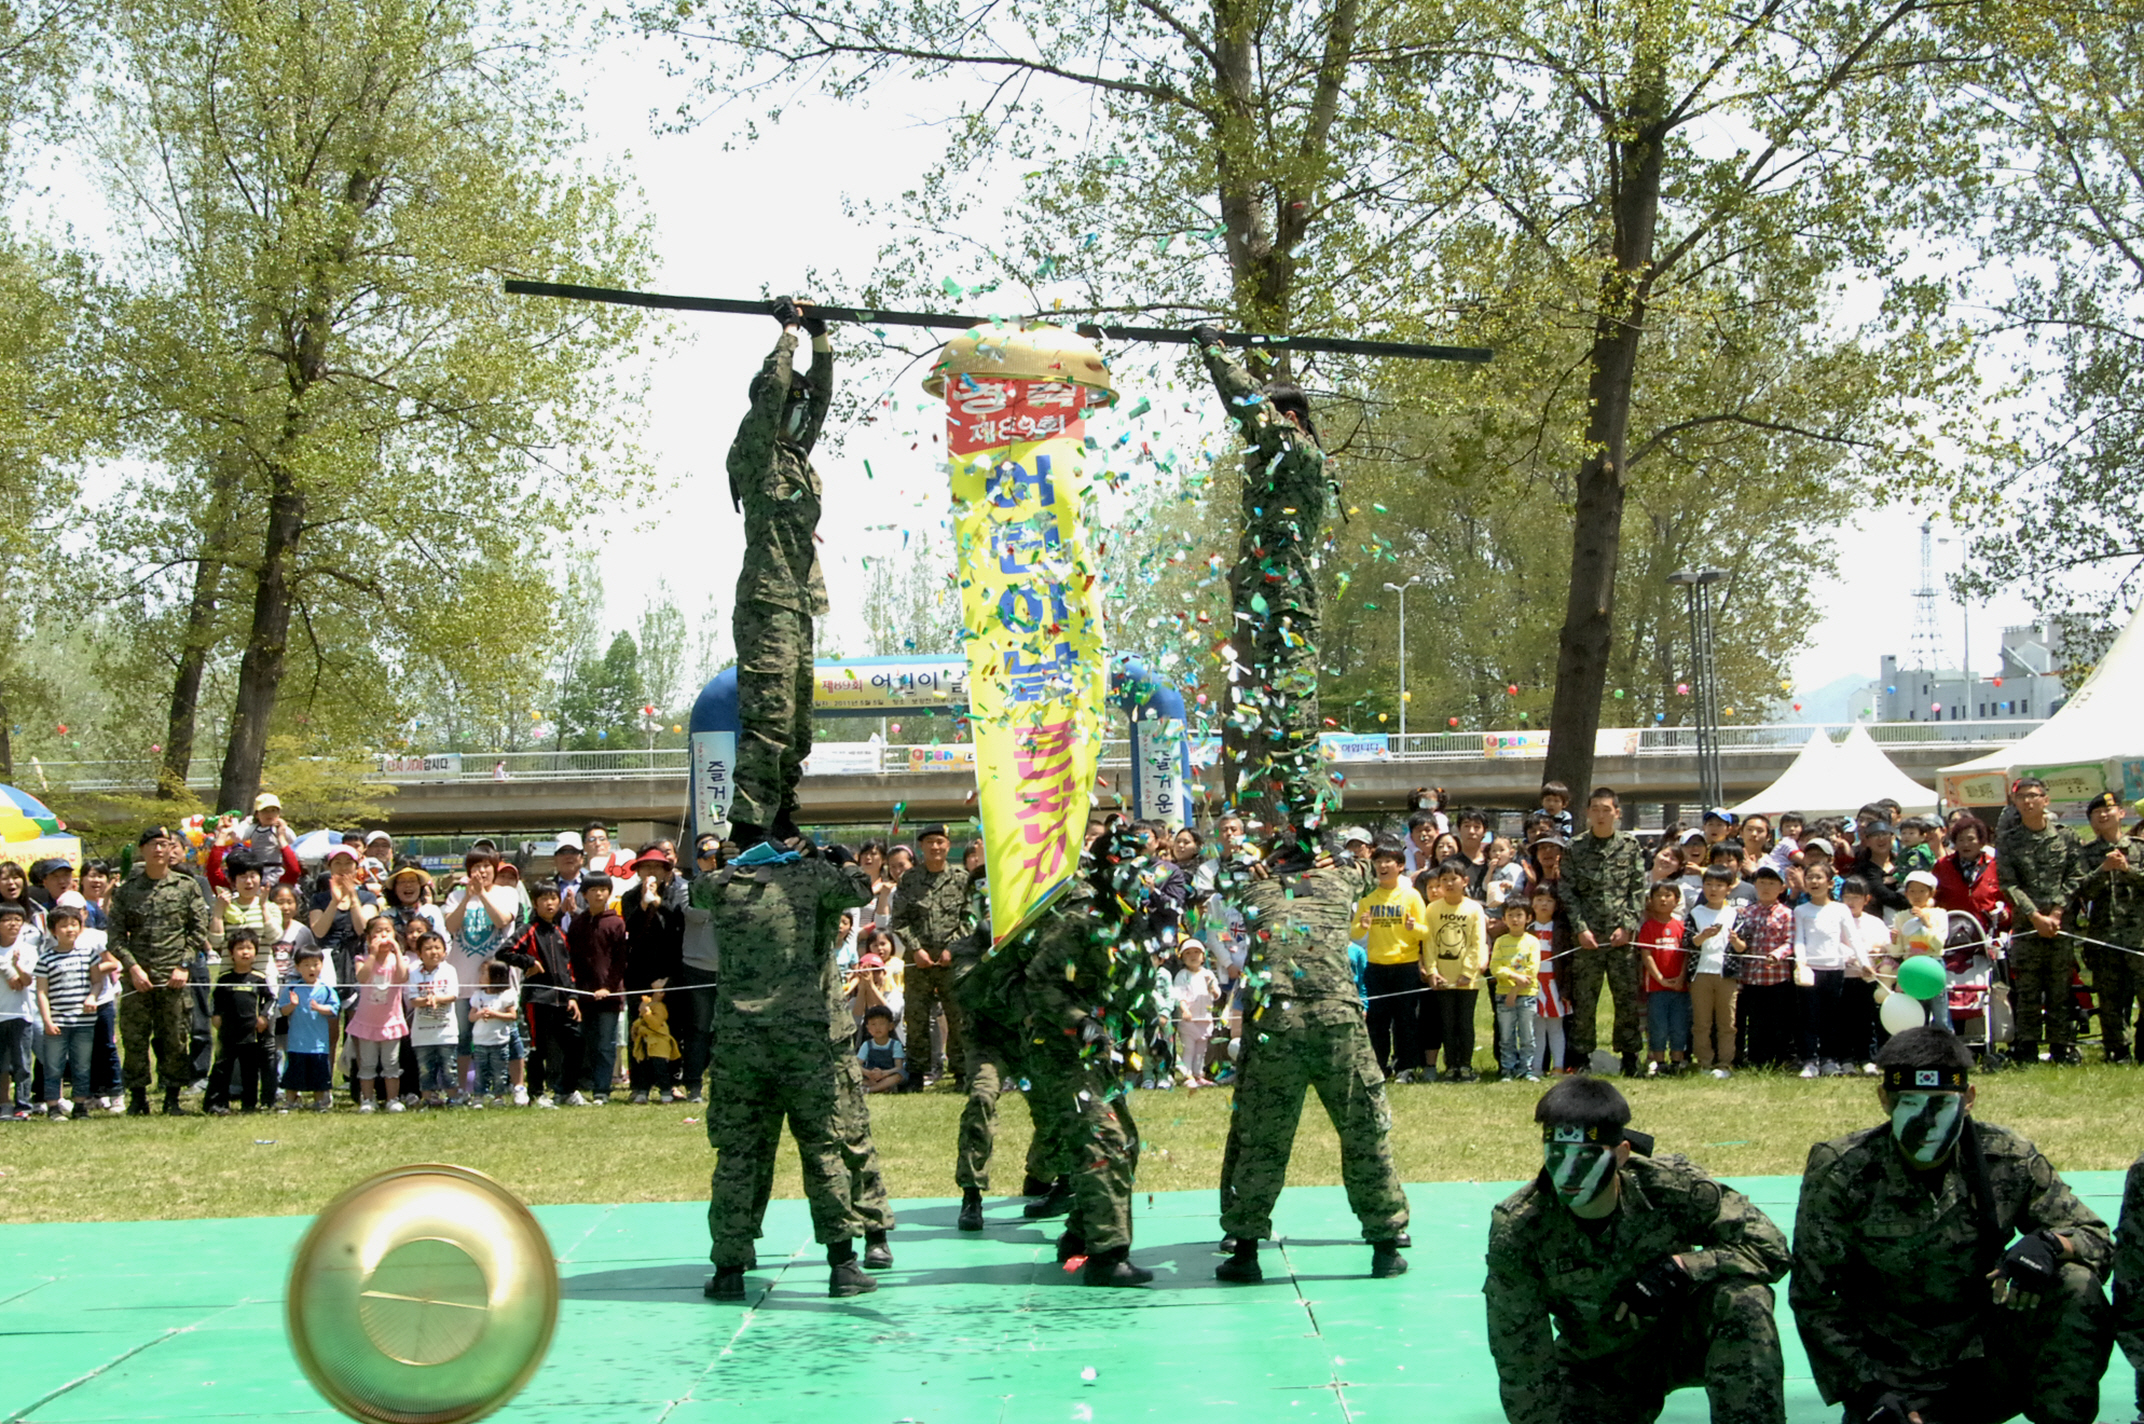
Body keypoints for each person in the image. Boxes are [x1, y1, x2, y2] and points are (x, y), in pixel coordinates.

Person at [1790, 1026, 2113, 1424]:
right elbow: (1814, 1296)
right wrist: (1867, 1390)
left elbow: (2095, 1236)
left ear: (1969, 1099)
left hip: (1989, 1360)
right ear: (1884, 1101)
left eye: (1941, 1103)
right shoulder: (1841, 1170)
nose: (1926, 1121)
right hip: (1896, 1379)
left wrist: (2049, 1245)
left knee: (2075, 1284)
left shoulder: (2007, 1156)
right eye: (1909, 1101)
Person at [1484, 1076, 1791, 1424]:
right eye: (1556, 1154)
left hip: (1683, 1340)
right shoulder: (1522, 1227)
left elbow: (1769, 1247)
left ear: (1622, 1154)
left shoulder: (1670, 1188)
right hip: (1601, 1366)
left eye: (1585, 1156)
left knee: (1744, 1298)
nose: (1567, 1172)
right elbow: (1520, 1355)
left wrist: (1684, 1268)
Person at [700, 836, 893, 1302]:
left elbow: (698, 887)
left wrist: (736, 856)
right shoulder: (812, 877)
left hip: (740, 1041)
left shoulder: (723, 883)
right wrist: (835, 854)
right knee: (824, 1146)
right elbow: (860, 888)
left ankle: (729, 1266)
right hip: (804, 1037)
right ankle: (843, 1264)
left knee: (738, 1154)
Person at [1215, 834, 1410, 1283]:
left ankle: (1244, 1248)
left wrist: (1252, 866)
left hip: (1275, 1022)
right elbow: (1366, 866)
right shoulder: (1342, 879)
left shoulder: (1254, 887)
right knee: (1363, 1127)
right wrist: (1338, 858)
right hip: (1336, 1019)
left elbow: (1224, 878)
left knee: (1261, 1134)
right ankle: (1386, 1241)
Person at [1193, 320, 1331, 837]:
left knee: (1294, 720)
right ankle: (1301, 828)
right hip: (1269, 604)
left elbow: (1246, 401)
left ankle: (1313, 833)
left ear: (1289, 417)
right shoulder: (1281, 461)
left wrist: (1214, 351)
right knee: (1277, 723)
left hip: (1288, 605)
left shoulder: (1294, 449)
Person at [725, 297, 834, 850]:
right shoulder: (754, 452)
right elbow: (774, 394)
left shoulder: (796, 457)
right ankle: (749, 825)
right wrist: (788, 334)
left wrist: (822, 338)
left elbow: (818, 400)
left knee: (796, 725)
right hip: (766, 601)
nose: (796, 411)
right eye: (787, 404)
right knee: (767, 719)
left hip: (800, 603)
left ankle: (783, 816)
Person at [111, 825, 213, 1116]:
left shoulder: (186, 886)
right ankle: (138, 1097)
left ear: (172, 851)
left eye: (164, 844)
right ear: (142, 850)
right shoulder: (127, 891)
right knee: (135, 1039)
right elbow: (116, 937)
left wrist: (184, 965)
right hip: (138, 979)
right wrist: (132, 968)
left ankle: (172, 1098)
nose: (159, 850)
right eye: (153, 844)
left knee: (175, 1038)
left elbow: (197, 929)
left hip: (174, 978)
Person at [1558, 788, 1649, 1076]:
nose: (1600, 815)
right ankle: (1582, 1057)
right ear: (1587, 813)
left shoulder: (1630, 846)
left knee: (1626, 999)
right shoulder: (1575, 848)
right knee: (1585, 1000)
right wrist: (1581, 929)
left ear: (1617, 813)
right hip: (1589, 940)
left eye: (1606, 809)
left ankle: (1631, 1056)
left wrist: (1629, 926)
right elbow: (1567, 892)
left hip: (1620, 938)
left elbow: (1637, 889)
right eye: (1595, 809)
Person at [1995, 776, 2085, 1066]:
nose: (2028, 801)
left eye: (2034, 796)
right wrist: (2034, 916)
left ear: (2046, 800)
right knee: (2028, 991)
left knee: (2060, 990)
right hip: (2026, 927)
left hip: (2060, 927)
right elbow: (2008, 883)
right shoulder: (2008, 840)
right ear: (2015, 803)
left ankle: (2061, 1048)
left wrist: (2057, 912)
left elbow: (2076, 875)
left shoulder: (2066, 836)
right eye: (2022, 797)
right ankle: (2028, 1050)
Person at [891, 824, 970, 1086]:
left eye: (940, 842)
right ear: (921, 847)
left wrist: (953, 947)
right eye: (929, 843)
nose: (935, 847)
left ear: (948, 845)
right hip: (919, 960)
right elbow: (899, 920)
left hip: (952, 960)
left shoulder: (961, 878)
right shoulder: (910, 880)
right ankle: (916, 1073)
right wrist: (917, 949)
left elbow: (970, 917)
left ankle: (960, 1071)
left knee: (957, 1015)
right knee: (916, 1017)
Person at [2068, 790, 2144, 1062]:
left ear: (2121, 814)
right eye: (2096, 812)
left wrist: (2128, 870)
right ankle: (2117, 1050)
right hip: (2104, 937)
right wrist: (2103, 870)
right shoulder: (2086, 854)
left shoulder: (2139, 848)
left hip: (2139, 937)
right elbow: (2080, 890)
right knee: (2111, 999)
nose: (2103, 814)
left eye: (2108, 809)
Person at [1354, 842, 1427, 1081]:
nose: (1383, 866)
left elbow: (1426, 932)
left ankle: (1406, 1067)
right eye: (1378, 862)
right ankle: (1378, 1066)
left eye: (1388, 862)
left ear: (1400, 866)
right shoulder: (1368, 899)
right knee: (1377, 1021)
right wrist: (1362, 926)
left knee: (1405, 1019)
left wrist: (1414, 927)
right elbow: (1353, 934)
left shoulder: (1412, 896)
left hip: (1405, 966)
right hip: (1376, 967)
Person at [34, 903, 113, 1119]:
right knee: (53, 1066)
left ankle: (80, 1105)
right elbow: (41, 992)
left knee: (82, 1065)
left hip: (84, 1021)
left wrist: (91, 997)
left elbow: (97, 982)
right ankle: (53, 1106)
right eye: (63, 926)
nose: (70, 929)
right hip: (57, 1022)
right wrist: (48, 1021)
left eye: (74, 924)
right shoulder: (46, 959)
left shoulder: (89, 955)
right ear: (53, 931)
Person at [509, 881, 581, 1107]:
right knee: (537, 1047)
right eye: (543, 899)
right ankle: (537, 1093)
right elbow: (505, 951)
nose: (549, 903)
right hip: (537, 999)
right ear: (535, 903)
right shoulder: (528, 930)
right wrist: (528, 961)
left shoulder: (560, 932)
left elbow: (568, 968)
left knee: (575, 1043)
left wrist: (573, 997)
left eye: (553, 898)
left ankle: (566, 1091)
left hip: (563, 1000)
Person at [1422, 856, 1489, 1081]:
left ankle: (1466, 1065)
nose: (1449, 884)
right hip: (1443, 978)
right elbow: (1429, 942)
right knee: (1447, 1023)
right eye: (1445, 880)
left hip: (1467, 980)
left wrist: (1468, 972)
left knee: (1465, 1023)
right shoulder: (1432, 909)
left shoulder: (1474, 909)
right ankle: (1451, 1066)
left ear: (1465, 881)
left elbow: (1477, 942)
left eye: (1454, 879)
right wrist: (1432, 971)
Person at [1792, 858, 1857, 1078]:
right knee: (1808, 1016)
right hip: (1809, 971)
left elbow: (1852, 938)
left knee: (1832, 1016)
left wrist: (1864, 963)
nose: (1814, 881)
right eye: (1809, 877)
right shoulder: (1801, 910)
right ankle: (1809, 1059)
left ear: (1830, 883)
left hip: (1835, 970)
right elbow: (1799, 940)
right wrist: (1801, 962)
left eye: (1819, 877)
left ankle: (1830, 1059)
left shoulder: (1841, 909)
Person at [566, 873, 627, 1103]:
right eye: (593, 890)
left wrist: (609, 988)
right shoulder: (578, 923)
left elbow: (620, 961)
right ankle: (588, 1083)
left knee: (605, 1044)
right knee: (588, 1043)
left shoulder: (616, 923)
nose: (599, 893)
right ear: (584, 894)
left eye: (603, 889)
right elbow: (573, 958)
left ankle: (602, 1088)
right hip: (584, 995)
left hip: (610, 998)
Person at [1734, 865, 1797, 1069]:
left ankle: (1778, 1058)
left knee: (1778, 1021)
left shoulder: (1787, 913)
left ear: (1781, 888)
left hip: (1776, 977)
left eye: (1771, 884)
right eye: (1762, 883)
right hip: (1751, 977)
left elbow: (1790, 942)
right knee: (1756, 1021)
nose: (1766, 887)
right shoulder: (1747, 913)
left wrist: (1776, 955)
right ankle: (1755, 1058)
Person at [205, 929, 273, 1115]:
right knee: (221, 1069)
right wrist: (216, 1015)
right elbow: (215, 1000)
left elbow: (269, 999)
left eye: (249, 948)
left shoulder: (258, 979)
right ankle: (215, 1104)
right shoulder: (224, 979)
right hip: (228, 1033)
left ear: (256, 953)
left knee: (250, 1072)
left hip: (250, 1034)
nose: (245, 952)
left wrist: (264, 1017)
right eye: (240, 948)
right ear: (231, 953)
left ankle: (249, 1104)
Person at [346, 915, 408, 1113]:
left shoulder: (400, 959)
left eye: (387, 931)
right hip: (366, 1022)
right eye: (378, 932)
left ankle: (392, 1099)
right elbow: (362, 977)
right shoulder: (362, 959)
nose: (383, 935)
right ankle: (368, 1099)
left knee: (391, 1063)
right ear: (368, 938)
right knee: (367, 1064)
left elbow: (403, 976)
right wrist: (372, 955)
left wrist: (397, 950)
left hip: (391, 1021)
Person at [1686, 867, 1740, 1078]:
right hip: (1701, 973)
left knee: (1727, 1022)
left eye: (1719, 885)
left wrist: (1736, 942)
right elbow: (1688, 944)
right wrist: (1703, 937)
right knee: (1701, 1022)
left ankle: (1725, 1063)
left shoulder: (1735, 914)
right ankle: (1704, 1063)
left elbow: (1743, 947)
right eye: (1708, 884)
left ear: (1729, 889)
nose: (1713, 889)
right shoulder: (1696, 913)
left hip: (1726, 974)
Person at [307, 844, 379, 988]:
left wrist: (353, 897)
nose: (343, 868)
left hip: (358, 960)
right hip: (328, 961)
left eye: (348, 863)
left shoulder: (367, 897)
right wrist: (334, 902)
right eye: (337, 863)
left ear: (357, 867)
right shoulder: (318, 899)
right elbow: (319, 931)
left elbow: (363, 930)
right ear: (330, 867)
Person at [1890, 869, 1954, 1031]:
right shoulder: (1901, 917)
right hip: (1911, 967)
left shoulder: (1939, 914)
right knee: (1915, 1014)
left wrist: (1927, 923)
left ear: (1931, 893)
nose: (1916, 895)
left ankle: (1946, 1047)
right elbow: (1896, 953)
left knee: (1940, 1012)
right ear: (1906, 894)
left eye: (1922, 891)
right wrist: (1894, 941)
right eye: (1912, 891)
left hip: (1933, 965)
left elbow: (1939, 945)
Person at [1638, 881, 1690, 1077]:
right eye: (1658, 895)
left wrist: (1680, 977)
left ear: (1676, 901)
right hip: (1656, 988)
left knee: (1678, 1026)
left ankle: (1677, 1062)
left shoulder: (1681, 926)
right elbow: (1646, 954)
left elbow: (1686, 955)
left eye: (1668, 895)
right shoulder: (1648, 927)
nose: (1663, 899)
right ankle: (1659, 1063)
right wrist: (1659, 977)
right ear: (1650, 900)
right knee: (1658, 1027)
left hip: (1679, 987)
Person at [278, 947, 339, 1112]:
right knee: (293, 1074)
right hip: (297, 1043)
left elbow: (334, 1009)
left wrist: (320, 1008)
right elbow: (282, 1010)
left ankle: (319, 1102)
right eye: (306, 965)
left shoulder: (326, 989)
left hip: (318, 1043)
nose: (311, 969)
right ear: (297, 968)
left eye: (315, 964)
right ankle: (290, 1101)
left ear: (321, 965)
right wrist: (292, 1005)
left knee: (318, 1076)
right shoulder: (292, 988)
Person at [1489, 897, 1542, 1082]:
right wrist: (1514, 977)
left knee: (1527, 1034)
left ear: (1528, 918)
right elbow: (1496, 968)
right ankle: (1507, 1069)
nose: (1515, 919)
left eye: (1519, 915)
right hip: (1503, 996)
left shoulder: (1533, 942)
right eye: (1510, 915)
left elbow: (1532, 970)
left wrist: (1515, 991)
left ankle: (1526, 1069)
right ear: (1504, 919)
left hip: (1526, 995)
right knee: (1506, 1035)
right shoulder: (1501, 942)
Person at [407, 931, 459, 1109]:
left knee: (449, 1067)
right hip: (422, 1033)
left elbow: (453, 995)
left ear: (445, 951)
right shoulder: (414, 973)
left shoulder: (449, 970)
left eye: (438, 948)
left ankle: (453, 1099)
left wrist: (435, 999)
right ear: (419, 953)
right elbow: (413, 999)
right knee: (425, 1068)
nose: (433, 952)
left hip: (446, 1031)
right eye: (428, 948)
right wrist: (426, 1001)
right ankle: (428, 1099)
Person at [1528, 884, 1570, 1077]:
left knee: (1555, 1027)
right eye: (1539, 900)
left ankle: (1559, 1066)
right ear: (1532, 903)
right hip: (1533, 985)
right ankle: (1536, 1067)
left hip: (1555, 985)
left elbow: (1568, 962)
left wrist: (1566, 990)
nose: (1544, 904)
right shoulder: (1527, 929)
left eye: (1549, 900)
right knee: (1537, 1028)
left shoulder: (1561, 929)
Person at [0, 901, 37, 1119]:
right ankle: (3, 1103)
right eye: (6, 920)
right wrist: (7, 969)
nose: (12, 924)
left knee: (22, 1062)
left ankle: (23, 1104)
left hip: (21, 1013)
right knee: (1, 1064)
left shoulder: (28, 950)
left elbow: (26, 981)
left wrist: (17, 967)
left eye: (17, 920)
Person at [468, 959, 518, 1106]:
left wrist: (496, 1014)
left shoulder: (505, 996)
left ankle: (498, 1097)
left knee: (499, 1072)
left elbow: (512, 1016)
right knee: (480, 1072)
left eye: (484, 973)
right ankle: (479, 1097)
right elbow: (471, 1017)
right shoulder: (478, 995)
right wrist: (479, 1015)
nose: (480, 976)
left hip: (499, 1042)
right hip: (480, 1042)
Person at [1173, 940, 1223, 1086]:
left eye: (1196, 952)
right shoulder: (1182, 975)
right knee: (1189, 1048)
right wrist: (1185, 1010)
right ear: (1182, 957)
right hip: (1189, 1020)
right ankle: (1187, 1075)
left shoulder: (1208, 974)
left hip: (1205, 1019)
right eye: (1188, 953)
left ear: (1203, 956)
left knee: (1201, 1049)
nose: (1193, 956)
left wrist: (1212, 988)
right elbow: (1179, 996)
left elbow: (1217, 994)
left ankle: (1198, 1074)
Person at [855, 1005, 906, 1093]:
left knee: (899, 1076)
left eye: (882, 1023)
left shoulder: (895, 1044)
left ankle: (870, 1090)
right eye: (873, 1024)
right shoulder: (867, 1045)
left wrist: (884, 1073)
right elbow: (857, 1065)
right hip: (871, 1076)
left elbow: (898, 1067)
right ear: (868, 1028)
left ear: (890, 1026)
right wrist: (868, 1073)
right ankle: (882, 1087)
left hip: (888, 1075)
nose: (877, 1028)